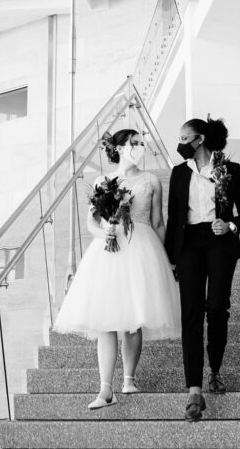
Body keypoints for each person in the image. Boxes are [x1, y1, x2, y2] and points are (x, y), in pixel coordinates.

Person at [53, 129, 181, 409]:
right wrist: (104, 233)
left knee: (134, 318)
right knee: (105, 322)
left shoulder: (151, 181)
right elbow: (91, 222)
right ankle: (104, 389)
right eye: (134, 143)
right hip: (108, 253)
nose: (139, 147)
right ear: (120, 148)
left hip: (142, 248)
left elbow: (159, 222)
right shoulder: (103, 180)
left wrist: (169, 259)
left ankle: (129, 378)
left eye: (141, 143)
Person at [165, 117, 240, 422]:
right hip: (188, 244)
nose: (180, 143)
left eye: (184, 137)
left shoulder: (230, 170)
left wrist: (228, 224)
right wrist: (170, 258)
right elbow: (174, 217)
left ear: (200, 139)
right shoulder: (178, 174)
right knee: (191, 313)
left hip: (219, 242)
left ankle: (215, 368)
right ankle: (193, 391)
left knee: (216, 308)